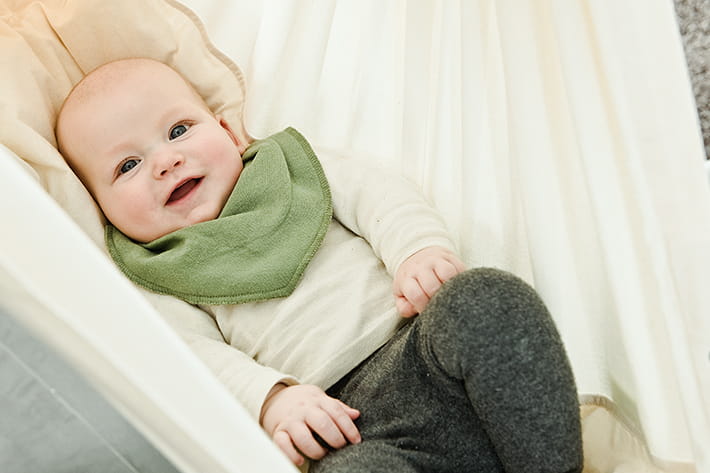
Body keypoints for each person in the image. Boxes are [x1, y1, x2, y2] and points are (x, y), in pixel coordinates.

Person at [55, 57, 583, 473]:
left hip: (424, 348)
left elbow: (377, 194)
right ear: (103, 211)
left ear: (229, 134)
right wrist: (272, 400)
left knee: (485, 299)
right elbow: (194, 357)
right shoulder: (156, 274)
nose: (165, 160)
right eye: (127, 165)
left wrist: (416, 250)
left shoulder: (292, 171)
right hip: (351, 425)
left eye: (178, 131)